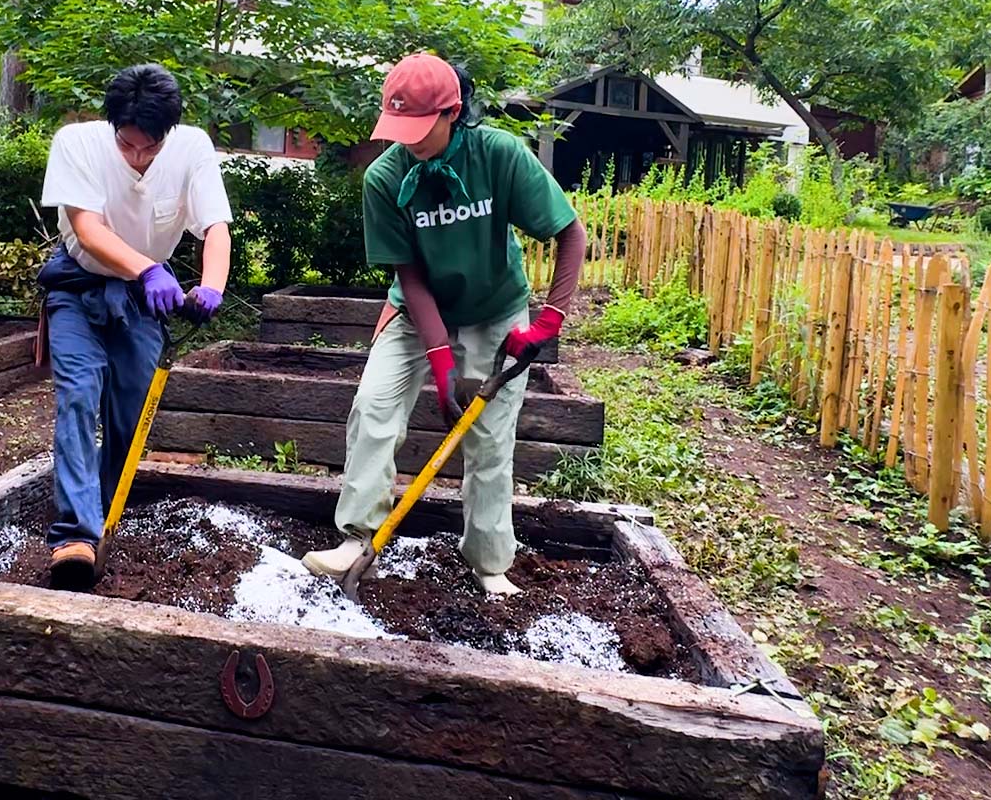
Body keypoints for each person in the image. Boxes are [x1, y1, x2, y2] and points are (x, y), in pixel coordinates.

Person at [302, 53, 584, 596]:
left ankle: (489, 563)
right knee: (373, 408)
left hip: (495, 311)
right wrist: (438, 354)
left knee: (488, 439)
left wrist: (550, 320)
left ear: (452, 112)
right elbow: (408, 273)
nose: (407, 140)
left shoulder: (499, 155)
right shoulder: (386, 176)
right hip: (415, 311)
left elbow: (570, 233)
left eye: (419, 127)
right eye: (397, 127)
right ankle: (358, 539)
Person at [36, 64, 233, 590]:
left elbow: (215, 225)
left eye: (150, 148)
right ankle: (74, 535)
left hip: (147, 299)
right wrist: (147, 268)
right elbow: (87, 228)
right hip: (79, 287)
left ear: (168, 132)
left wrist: (211, 285)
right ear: (113, 126)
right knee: (79, 394)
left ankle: (106, 509)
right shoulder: (77, 142)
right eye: (128, 146)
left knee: (132, 409)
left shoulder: (192, 148)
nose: (139, 158)